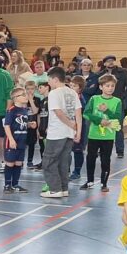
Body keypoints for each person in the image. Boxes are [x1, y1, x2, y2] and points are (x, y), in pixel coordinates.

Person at [41, 66, 79, 199]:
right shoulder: (72, 92)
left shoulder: (54, 93)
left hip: (57, 133)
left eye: (49, 80)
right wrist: (77, 130)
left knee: (49, 161)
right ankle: (63, 188)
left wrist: (71, 124)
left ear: (55, 79)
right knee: (63, 161)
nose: (48, 83)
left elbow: (58, 112)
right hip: (69, 133)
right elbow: (78, 112)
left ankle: (54, 189)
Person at [80, 74, 122, 193]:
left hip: (108, 136)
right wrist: (99, 120)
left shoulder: (117, 101)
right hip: (94, 135)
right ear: (101, 87)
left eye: (112, 86)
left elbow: (118, 117)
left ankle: (104, 183)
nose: (110, 88)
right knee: (91, 158)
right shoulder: (94, 99)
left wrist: (106, 111)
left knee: (105, 159)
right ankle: (89, 181)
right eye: (107, 86)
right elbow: (86, 113)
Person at [2, 87, 31, 193]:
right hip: (13, 141)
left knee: (18, 163)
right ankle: (7, 185)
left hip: (22, 141)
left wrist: (30, 124)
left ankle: (15, 184)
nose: (26, 96)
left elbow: (21, 123)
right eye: (23, 95)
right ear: (15, 98)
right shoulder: (11, 110)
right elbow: (7, 126)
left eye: (25, 94)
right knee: (10, 163)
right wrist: (11, 139)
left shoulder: (25, 110)